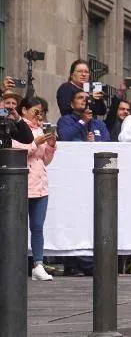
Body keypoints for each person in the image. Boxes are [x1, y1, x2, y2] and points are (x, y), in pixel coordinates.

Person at [13, 97, 57, 281]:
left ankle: (38, 264)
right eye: (36, 111)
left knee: (37, 226)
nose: (39, 115)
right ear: (24, 110)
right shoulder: (16, 127)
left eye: (41, 112)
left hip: (40, 184)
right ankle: (15, 263)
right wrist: (35, 143)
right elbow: (17, 151)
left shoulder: (39, 128)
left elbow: (44, 159)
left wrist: (51, 146)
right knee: (18, 226)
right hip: (23, 183)